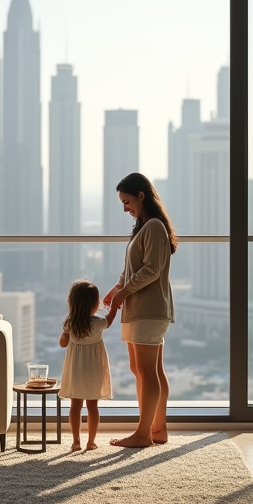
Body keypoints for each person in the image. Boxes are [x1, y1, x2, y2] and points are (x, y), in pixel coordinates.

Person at [103, 172, 177, 448]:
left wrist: (124, 291)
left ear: (141, 196)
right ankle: (157, 429)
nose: (125, 208)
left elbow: (152, 270)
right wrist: (116, 288)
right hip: (139, 307)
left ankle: (144, 433)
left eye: (127, 201)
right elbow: (134, 268)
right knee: (145, 368)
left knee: (147, 370)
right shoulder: (144, 227)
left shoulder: (155, 226)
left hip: (150, 307)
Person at [59, 280, 115, 451]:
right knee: (92, 407)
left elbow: (62, 344)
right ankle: (91, 442)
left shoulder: (71, 324)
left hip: (76, 370)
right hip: (94, 371)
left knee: (75, 407)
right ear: (95, 303)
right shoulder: (98, 323)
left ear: (73, 302)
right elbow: (109, 319)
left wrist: (66, 334)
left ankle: (76, 441)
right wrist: (114, 306)